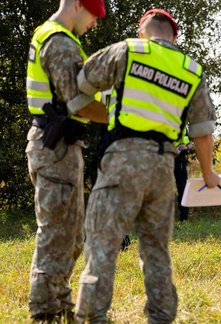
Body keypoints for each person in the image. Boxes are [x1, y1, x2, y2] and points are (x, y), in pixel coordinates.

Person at [74, 8, 221, 323]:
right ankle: (162, 316)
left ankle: (92, 316)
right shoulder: (191, 70)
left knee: (102, 241)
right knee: (156, 249)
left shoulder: (127, 50)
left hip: (123, 158)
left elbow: (80, 83)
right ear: (174, 36)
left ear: (143, 30)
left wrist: (93, 110)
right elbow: (202, 131)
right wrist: (208, 174)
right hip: (163, 166)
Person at [25, 0, 107, 322]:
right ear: (76, 4)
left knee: (71, 236)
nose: (95, 24)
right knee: (56, 234)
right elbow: (80, 103)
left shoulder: (57, 37)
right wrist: (122, 117)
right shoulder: (58, 42)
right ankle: (46, 312)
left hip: (60, 147)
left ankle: (59, 305)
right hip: (55, 148)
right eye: (93, 15)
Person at [175, 126, 193, 221]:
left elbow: (190, 142)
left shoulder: (184, 127)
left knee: (183, 189)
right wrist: (177, 149)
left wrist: (187, 146)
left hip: (180, 161)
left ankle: (184, 218)